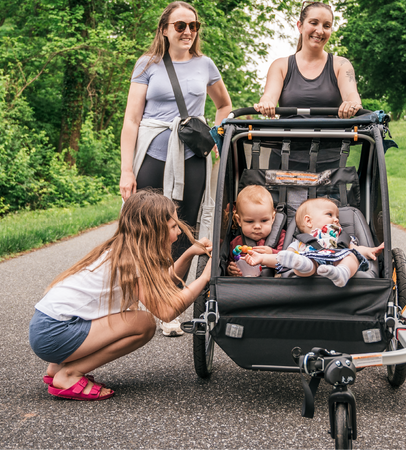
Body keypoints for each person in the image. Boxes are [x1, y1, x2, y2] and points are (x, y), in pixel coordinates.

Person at [28, 190, 212, 400]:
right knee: (143, 324)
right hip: (54, 332)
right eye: (173, 227)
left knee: (139, 319)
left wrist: (189, 254)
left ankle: (59, 367)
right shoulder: (133, 261)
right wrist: (204, 278)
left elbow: (162, 284)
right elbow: (167, 311)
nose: (178, 232)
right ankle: (70, 373)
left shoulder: (126, 250)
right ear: (154, 231)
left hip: (47, 328)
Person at [118, 1, 231, 336]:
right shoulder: (147, 64)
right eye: (180, 26)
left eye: (193, 26)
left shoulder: (205, 64)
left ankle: (170, 304)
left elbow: (224, 105)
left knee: (183, 229)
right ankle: (134, 295)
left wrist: (214, 137)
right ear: (165, 29)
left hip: (192, 157)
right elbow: (132, 119)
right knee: (143, 226)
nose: (187, 32)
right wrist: (126, 170)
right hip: (153, 153)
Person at [253, 1, 362, 119]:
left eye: (326, 26)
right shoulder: (280, 66)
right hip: (288, 136)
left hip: (331, 136)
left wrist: (351, 103)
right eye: (314, 23)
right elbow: (269, 97)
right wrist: (265, 103)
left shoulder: (341, 65)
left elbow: (352, 95)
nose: (320, 31)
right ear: (300, 26)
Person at [246, 198, 383, 287]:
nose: (336, 220)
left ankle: (342, 273)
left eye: (338, 217)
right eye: (330, 215)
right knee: (299, 259)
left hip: (338, 261)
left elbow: (355, 248)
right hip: (313, 264)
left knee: (351, 256)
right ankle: (302, 265)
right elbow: (281, 258)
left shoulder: (340, 236)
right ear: (308, 221)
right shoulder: (300, 242)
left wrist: (369, 250)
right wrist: (262, 258)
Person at [227, 185, 286, 276]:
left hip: (276, 284)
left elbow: (290, 259)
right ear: (239, 220)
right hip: (247, 286)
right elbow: (230, 261)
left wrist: (272, 253)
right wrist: (231, 269)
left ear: (273, 218)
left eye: (264, 220)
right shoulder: (236, 243)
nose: (257, 226)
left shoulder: (282, 237)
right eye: (250, 221)